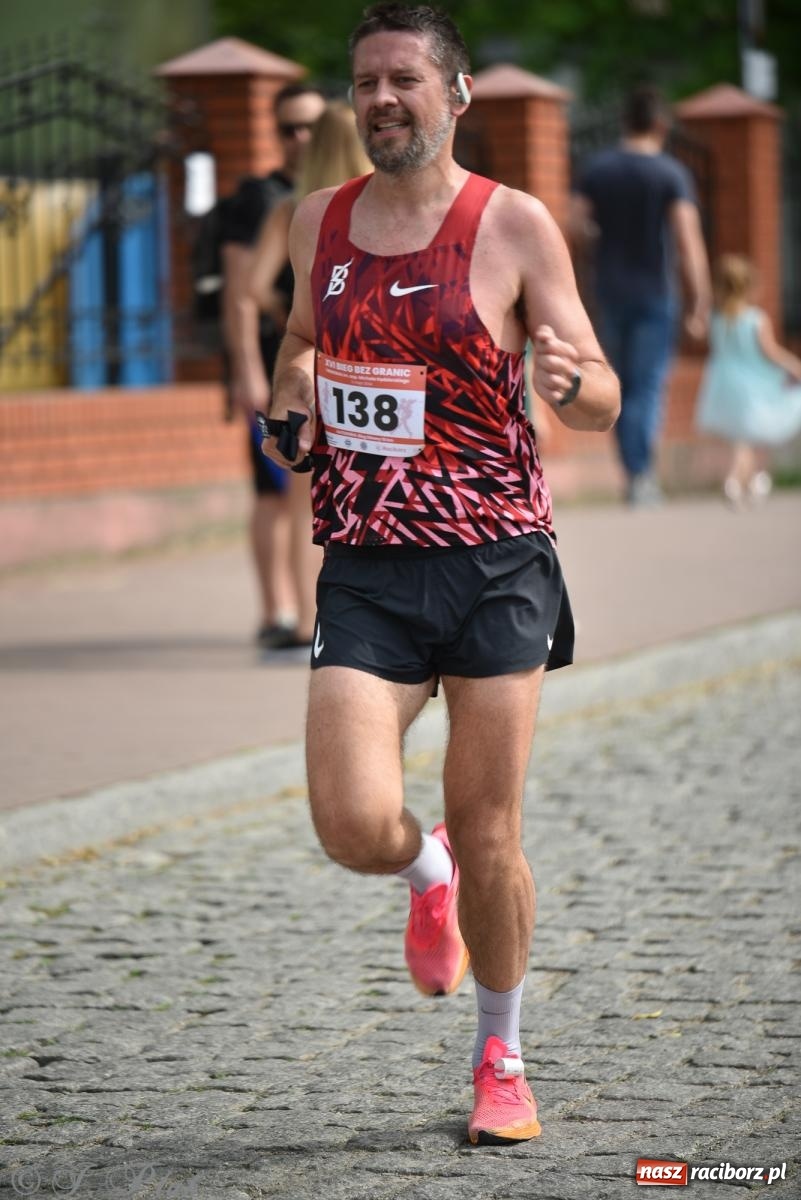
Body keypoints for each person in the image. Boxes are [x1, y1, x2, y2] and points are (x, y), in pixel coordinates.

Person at [262, 2, 619, 1145]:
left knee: (493, 823)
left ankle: (502, 1053)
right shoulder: (315, 218)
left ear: (455, 95)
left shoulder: (512, 226)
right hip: (365, 564)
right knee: (352, 820)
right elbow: (298, 344)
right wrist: (291, 404)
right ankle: (425, 873)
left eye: (405, 79)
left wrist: (572, 386)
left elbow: (603, 393)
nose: (381, 100)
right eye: (366, 81)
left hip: (495, 563)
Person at [240, 102, 373, 648]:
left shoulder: (295, 211)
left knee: (302, 503)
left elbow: (250, 286)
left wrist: (287, 306)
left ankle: (303, 620)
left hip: (302, 364)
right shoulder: (376, 207)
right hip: (362, 363)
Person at [221, 81, 326, 648]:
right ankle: (277, 613)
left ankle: (305, 611)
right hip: (269, 361)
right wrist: (247, 372)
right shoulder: (260, 198)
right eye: (288, 127)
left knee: (304, 493)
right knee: (273, 491)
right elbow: (241, 291)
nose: (300, 137)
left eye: (310, 125)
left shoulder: (342, 195)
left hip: (316, 367)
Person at [571, 84, 711, 506]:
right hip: (655, 295)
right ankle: (641, 474)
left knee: (624, 386)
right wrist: (701, 300)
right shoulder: (670, 174)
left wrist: (600, 239)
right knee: (648, 387)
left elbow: (574, 225)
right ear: (661, 125)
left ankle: (634, 472)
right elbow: (688, 241)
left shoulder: (598, 169)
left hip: (611, 292)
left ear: (624, 121)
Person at [695, 254, 801, 505]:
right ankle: (735, 480)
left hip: (722, 384)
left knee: (742, 439)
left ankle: (751, 479)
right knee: (746, 438)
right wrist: (794, 365)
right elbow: (770, 351)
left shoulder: (717, 318)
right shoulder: (755, 319)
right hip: (750, 385)